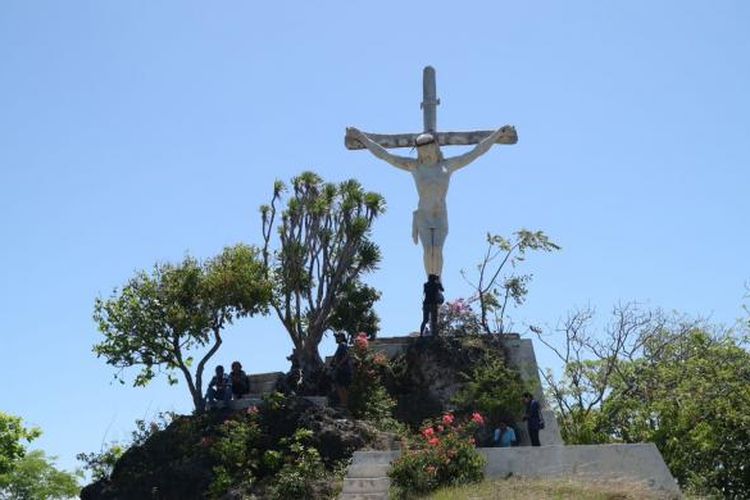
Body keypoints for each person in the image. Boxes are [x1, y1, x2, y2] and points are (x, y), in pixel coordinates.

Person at [348, 126, 509, 278]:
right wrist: (361, 137)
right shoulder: (415, 166)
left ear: (435, 147)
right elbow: (385, 155)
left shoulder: (447, 166)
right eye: (421, 149)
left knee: (437, 250)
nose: (425, 152)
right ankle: (430, 281)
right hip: (423, 215)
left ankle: (437, 281)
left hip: (440, 215)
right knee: (428, 251)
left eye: (428, 147)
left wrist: (497, 134)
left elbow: (476, 152)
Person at [330, 332, 353, 409]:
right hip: (342, 369)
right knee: (339, 385)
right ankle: (343, 403)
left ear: (341, 337)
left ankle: (344, 404)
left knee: (342, 386)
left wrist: (339, 364)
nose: (336, 338)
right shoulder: (341, 346)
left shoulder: (342, 344)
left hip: (343, 370)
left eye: (337, 337)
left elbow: (347, 355)